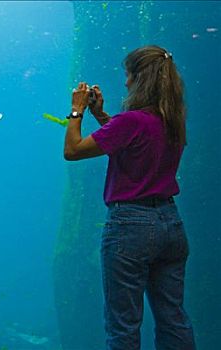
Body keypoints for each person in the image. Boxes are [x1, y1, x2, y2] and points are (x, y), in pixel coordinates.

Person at [63, 45, 196, 350]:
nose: (125, 83)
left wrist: (77, 111)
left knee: (123, 326)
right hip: (171, 224)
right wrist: (100, 115)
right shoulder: (173, 120)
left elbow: (72, 151)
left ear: (141, 78)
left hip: (131, 228)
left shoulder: (132, 121)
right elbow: (132, 139)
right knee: (173, 319)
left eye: (128, 75)